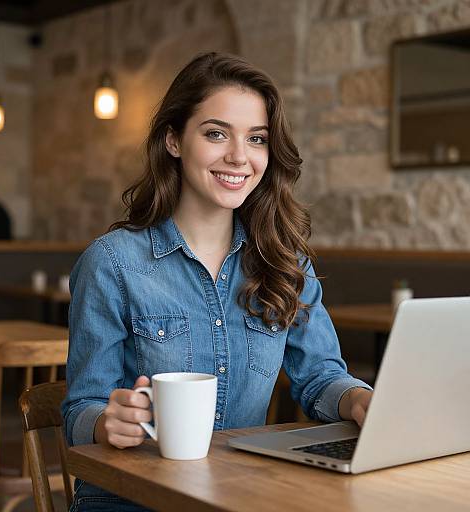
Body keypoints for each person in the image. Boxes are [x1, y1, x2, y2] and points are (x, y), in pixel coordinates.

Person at [63, 52, 373, 511]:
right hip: (129, 500)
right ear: (173, 140)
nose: (239, 157)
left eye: (256, 139)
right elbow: (80, 408)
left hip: (238, 494)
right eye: (215, 133)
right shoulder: (112, 263)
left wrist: (361, 401)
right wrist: (107, 422)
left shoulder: (285, 262)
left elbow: (321, 377)